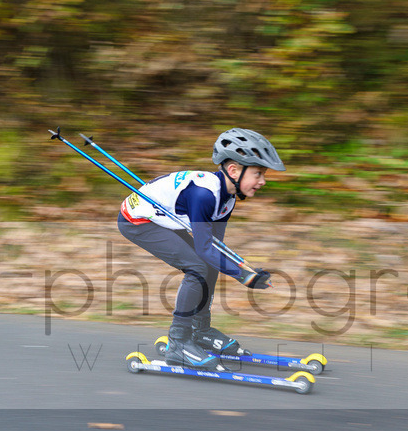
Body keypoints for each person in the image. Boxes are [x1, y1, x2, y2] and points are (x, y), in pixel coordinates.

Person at [117, 127, 285, 369]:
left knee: (209, 265)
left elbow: (215, 249)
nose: (263, 181)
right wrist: (244, 277)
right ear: (234, 170)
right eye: (258, 173)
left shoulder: (227, 198)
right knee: (196, 267)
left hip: (164, 219)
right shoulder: (204, 195)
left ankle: (200, 331)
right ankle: (178, 343)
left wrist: (249, 271)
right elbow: (206, 250)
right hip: (138, 221)